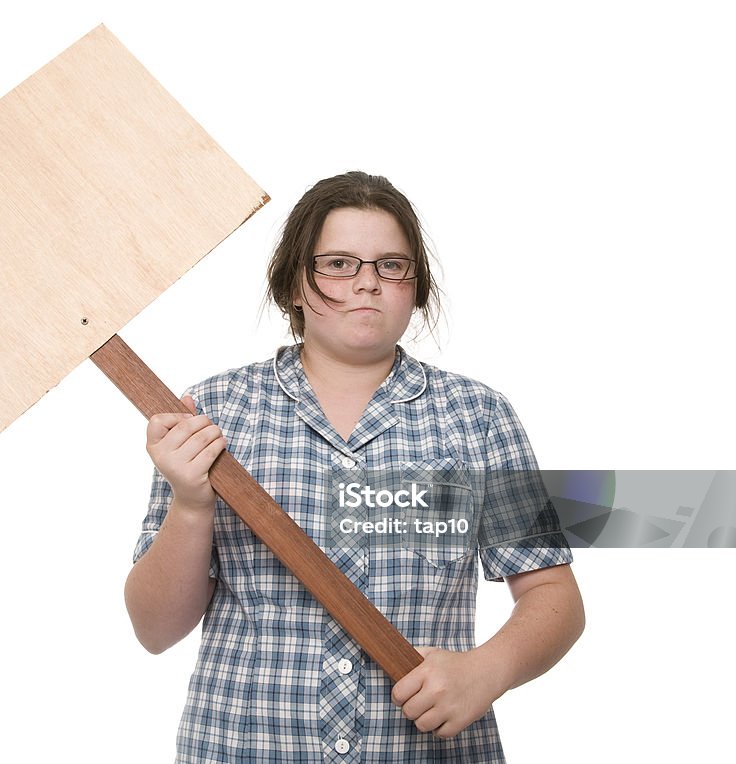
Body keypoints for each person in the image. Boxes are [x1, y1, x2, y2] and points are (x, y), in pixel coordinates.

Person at [125, 171, 584, 762]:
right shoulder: (215, 413)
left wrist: (487, 670)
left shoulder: (478, 416)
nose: (368, 283)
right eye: (339, 264)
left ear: (414, 288)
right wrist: (190, 505)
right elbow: (155, 629)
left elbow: (554, 594)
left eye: (391, 265)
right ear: (294, 282)